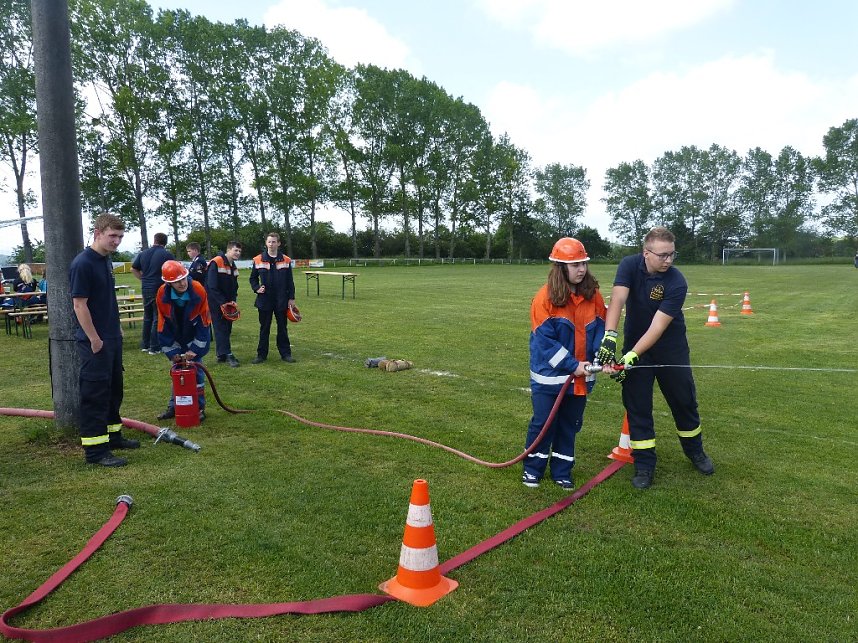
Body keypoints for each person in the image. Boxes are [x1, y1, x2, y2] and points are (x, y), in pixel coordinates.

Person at [598, 226, 715, 490]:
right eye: (663, 255)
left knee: (684, 401)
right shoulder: (629, 266)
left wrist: (630, 356)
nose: (669, 260)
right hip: (635, 346)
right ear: (646, 253)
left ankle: (695, 451)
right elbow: (616, 300)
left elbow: (657, 327)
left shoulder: (676, 281)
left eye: (672, 254)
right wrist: (610, 336)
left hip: (671, 349)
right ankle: (644, 464)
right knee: (637, 405)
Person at [522, 238, 606, 490]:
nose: (582, 269)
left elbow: (601, 330)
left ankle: (562, 471)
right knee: (544, 423)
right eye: (575, 264)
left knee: (570, 425)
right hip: (550, 378)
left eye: (584, 264)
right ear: (560, 267)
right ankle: (532, 470)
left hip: (580, 378)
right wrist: (573, 365)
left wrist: (603, 357)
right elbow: (545, 343)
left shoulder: (594, 296)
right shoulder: (544, 299)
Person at [69, 213, 139, 467]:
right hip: (95, 342)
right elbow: (79, 305)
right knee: (95, 393)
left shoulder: (105, 261)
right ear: (97, 233)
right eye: (112, 236)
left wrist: (116, 328)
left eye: (120, 237)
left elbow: (106, 300)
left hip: (111, 338)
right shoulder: (83, 263)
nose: (117, 242)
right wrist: (94, 339)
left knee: (113, 390)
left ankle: (113, 436)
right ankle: (96, 451)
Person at [154, 260, 211, 421]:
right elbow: (163, 324)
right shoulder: (161, 294)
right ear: (168, 283)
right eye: (176, 281)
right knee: (177, 372)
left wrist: (195, 350)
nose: (181, 283)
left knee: (196, 373)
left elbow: (203, 322)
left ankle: (198, 408)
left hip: (194, 332)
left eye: (183, 279)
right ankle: (174, 406)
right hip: (176, 332)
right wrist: (172, 352)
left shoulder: (198, 290)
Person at [249, 232, 297, 363]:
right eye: (269, 242)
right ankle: (261, 355)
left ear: (279, 243)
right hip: (264, 300)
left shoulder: (286, 260)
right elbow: (252, 278)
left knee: (282, 327)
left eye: (274, 242)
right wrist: (256, 288)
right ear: (266, 243)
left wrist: (291, 298)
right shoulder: (258, 259)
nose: (271, 244)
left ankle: (286, 354)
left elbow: (290, 281)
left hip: (282, 299)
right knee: (264, 328)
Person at [132, 232, 175, 355]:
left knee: (148, 316)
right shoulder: (167, 254)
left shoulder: (143, 253)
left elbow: (133, 268)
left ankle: (145, 344)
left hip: (146, 287)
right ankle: (155, 346)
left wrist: (142, 278)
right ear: (165, 242)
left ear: (154, 240)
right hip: (159, 287)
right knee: (158, 317)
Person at [206, 240, 242, 367]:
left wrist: (233, 300)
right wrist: (222, 302)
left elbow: (235, 286)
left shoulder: (233, 266)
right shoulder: (216, 262)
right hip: (216, 302)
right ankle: (228, 354)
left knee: (226, 328)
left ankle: (221, 354)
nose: (237, 253)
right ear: (228, 250)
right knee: (221, 328)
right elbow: (212, 286)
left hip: (228, 302)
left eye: (239, 251)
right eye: (235, 250)